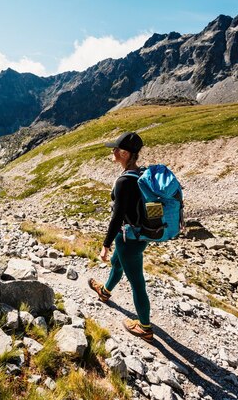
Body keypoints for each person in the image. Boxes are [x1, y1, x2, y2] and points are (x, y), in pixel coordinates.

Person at [88, 131, 153, 342]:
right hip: (139, 235)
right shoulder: (141, 173)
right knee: (117, 264)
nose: (113, 151)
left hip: (128, 239)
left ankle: (145, 327)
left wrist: (105, 244)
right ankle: (105, 292)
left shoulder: (125, 181)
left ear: (124, 154)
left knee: (137, 283)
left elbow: (117, 217)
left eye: (116, 149)